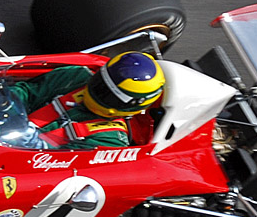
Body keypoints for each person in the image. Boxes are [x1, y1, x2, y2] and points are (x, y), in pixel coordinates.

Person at [10, 51, 165, 150]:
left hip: (14, 160)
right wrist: (6, 104)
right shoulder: (75, 77)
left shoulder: (111, 140)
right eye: (101, 83)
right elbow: (26, 92)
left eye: (109, 94)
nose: (99, 92)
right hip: (1, 129)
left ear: (132, 104)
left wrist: (37, 145)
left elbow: (61, 164)